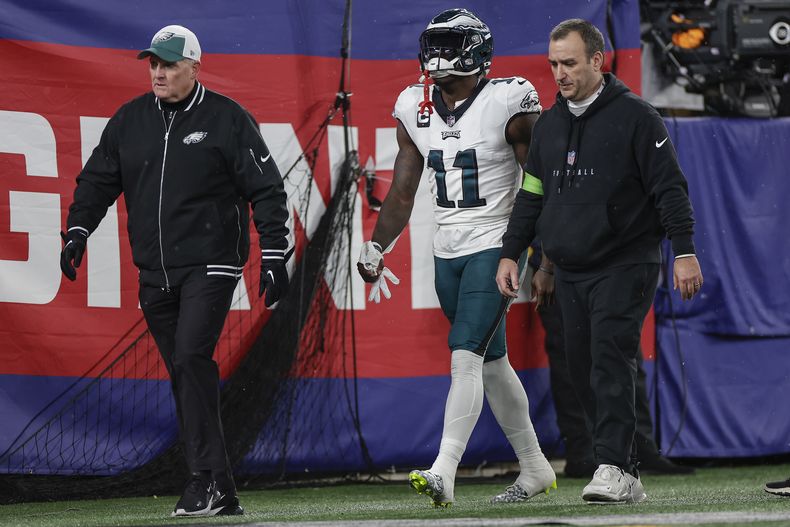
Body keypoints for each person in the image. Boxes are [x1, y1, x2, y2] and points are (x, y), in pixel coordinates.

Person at [59, 25, 290, 517]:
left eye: (168, 64)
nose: (158, 73)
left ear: (194, 67)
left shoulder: (227, 118)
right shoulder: (130, 120)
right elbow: (97, 180)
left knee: (189, 359)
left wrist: (274, 253)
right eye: (153, 63)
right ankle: (221, 487)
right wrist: (78, 230)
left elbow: (267, 189)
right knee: (186, 374)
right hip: (154, 272)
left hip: (212, 263)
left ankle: (202, 480)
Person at [496, 19, 703, 505]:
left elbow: (670, 188)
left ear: (597, 60)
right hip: (569, 269)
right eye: (553, 64)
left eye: (569, 63)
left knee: (610, 358)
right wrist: (516, 254)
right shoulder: (548, 125)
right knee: (582, 368)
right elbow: (534, 197)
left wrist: (684, 250)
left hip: (626, 262)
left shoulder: (637, 116)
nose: (559, 73)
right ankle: (622, 468)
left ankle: (612, 465)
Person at [356, 8, 555, 507]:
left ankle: (443, 470)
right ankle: (535, 467)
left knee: (464, 355)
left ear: (476, 51)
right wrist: (377, 245)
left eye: (450, 44)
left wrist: (543, 256)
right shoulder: (413, 104)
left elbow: (540, 185)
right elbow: (403, 189)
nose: (439, 55)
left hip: (497, 243)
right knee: (491, 363)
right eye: (435, 44)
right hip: (446, 249)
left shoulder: (508, 100)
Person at [529, 245, 694, 478]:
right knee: (571, 357)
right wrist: (546, 265)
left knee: (624, 351)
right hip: (565, 260)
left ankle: (639, 448)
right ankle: (584, 450)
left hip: (613, 259)